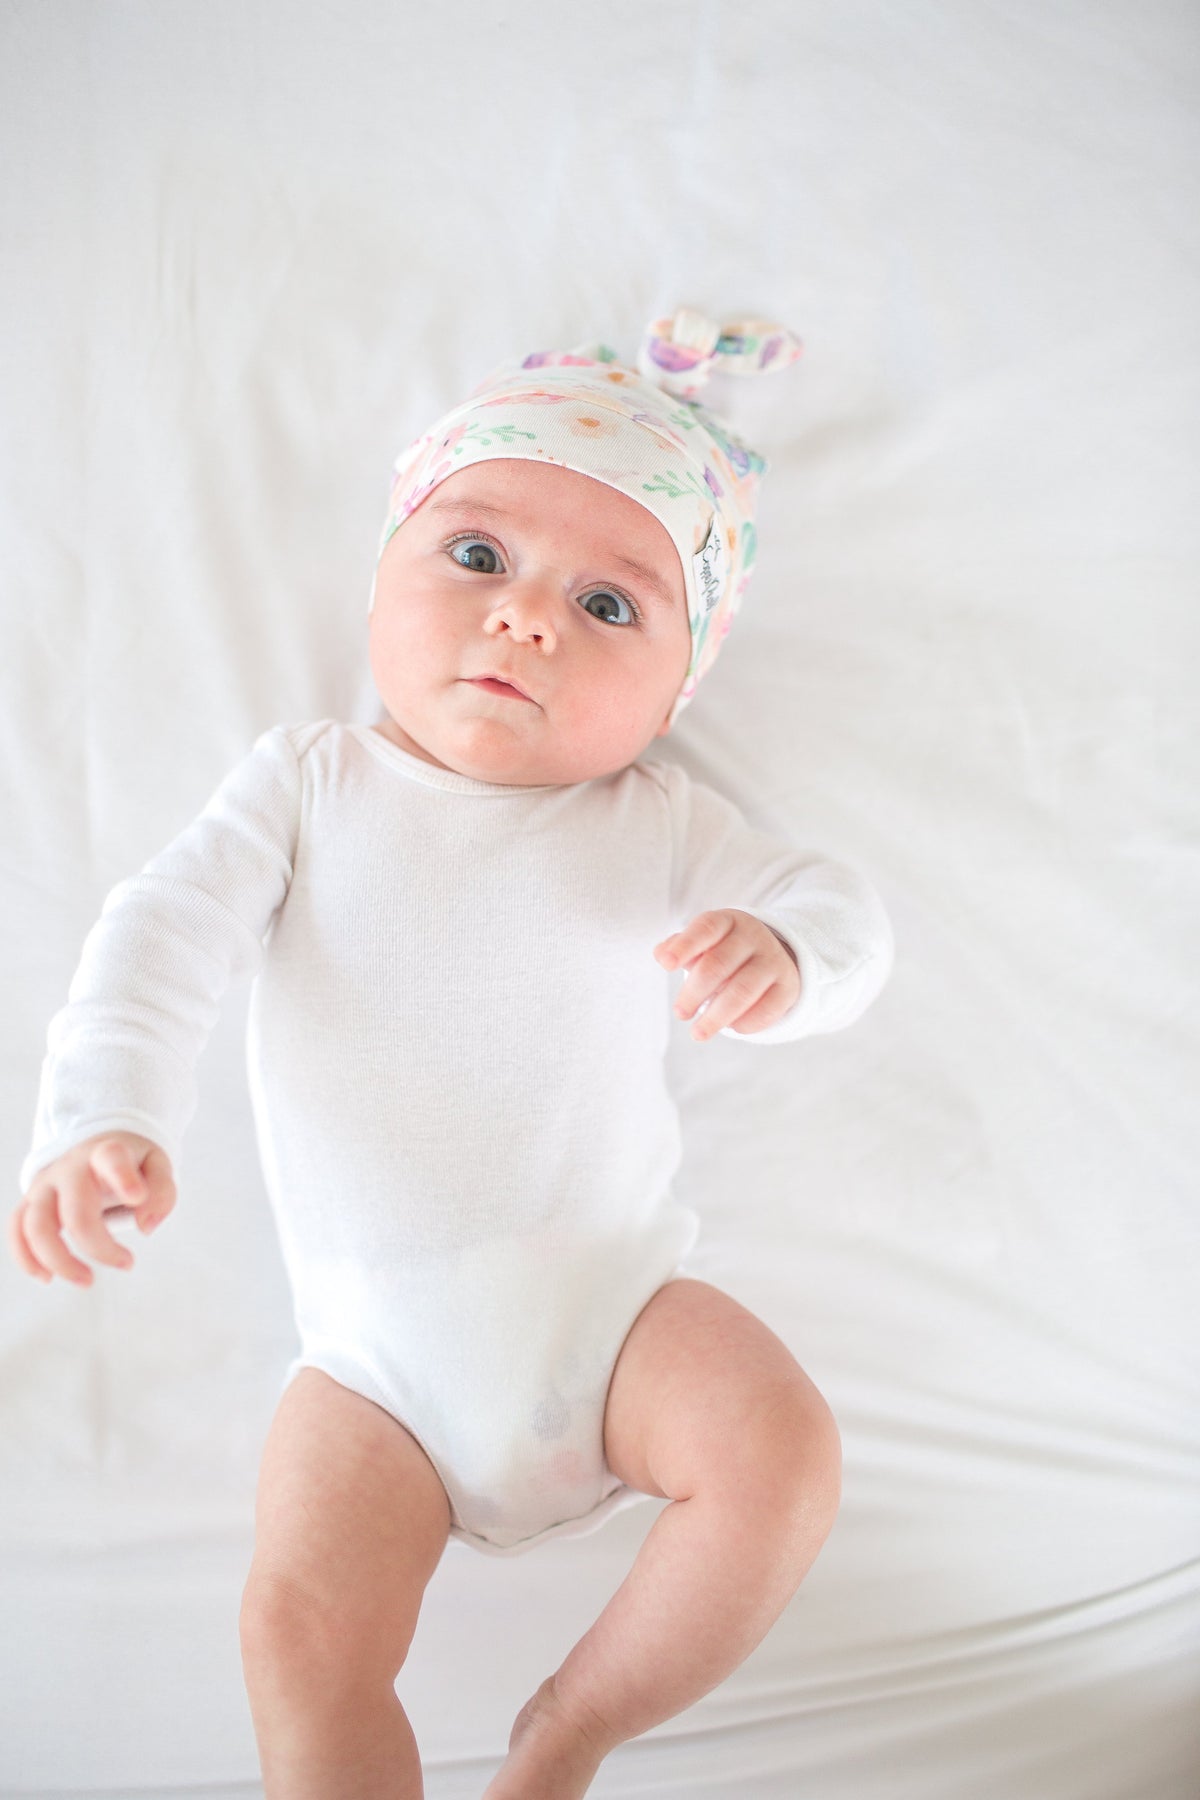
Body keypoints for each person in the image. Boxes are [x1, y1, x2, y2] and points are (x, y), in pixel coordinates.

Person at [9, 307, 894, 1799]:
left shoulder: (659, 824)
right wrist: (100, 1115)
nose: (527, 618)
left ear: (675, 694)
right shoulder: (307, 785)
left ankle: (571, 1732)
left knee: (784, 1459)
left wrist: (793, 959)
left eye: (610, 607)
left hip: (616, 1318)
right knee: (298, 1630)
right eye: (476, 557)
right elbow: (160, 936)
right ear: (379, 582)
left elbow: (842, 910)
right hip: (373, 1373)